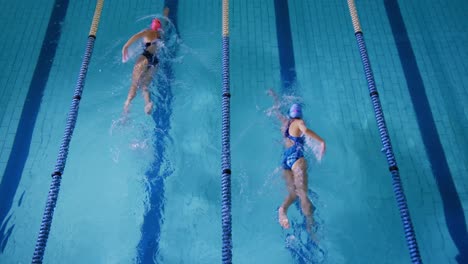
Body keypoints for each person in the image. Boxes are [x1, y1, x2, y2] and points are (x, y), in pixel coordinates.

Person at [268, 89, 326, 232]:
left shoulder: (285, 124)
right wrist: (321, 142)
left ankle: (283, 209)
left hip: (285, 160)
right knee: (302, 193)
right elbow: (305, 131)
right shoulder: (299, 122)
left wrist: (274, 97)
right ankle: (310, 225)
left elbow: (276, 111)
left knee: (293, 194)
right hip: (296, 158)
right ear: (299, 116)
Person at [121, 7, 170, 114]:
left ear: (152, 27)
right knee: (144, 86)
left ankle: (127, 105)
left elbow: (136, 36)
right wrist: (166, 12)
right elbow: (165, 21)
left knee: (134, 84)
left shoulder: (149, 32)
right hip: (155, 61)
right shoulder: (161, 35)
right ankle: (148, 103)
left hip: (146, 56)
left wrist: (126, 46)